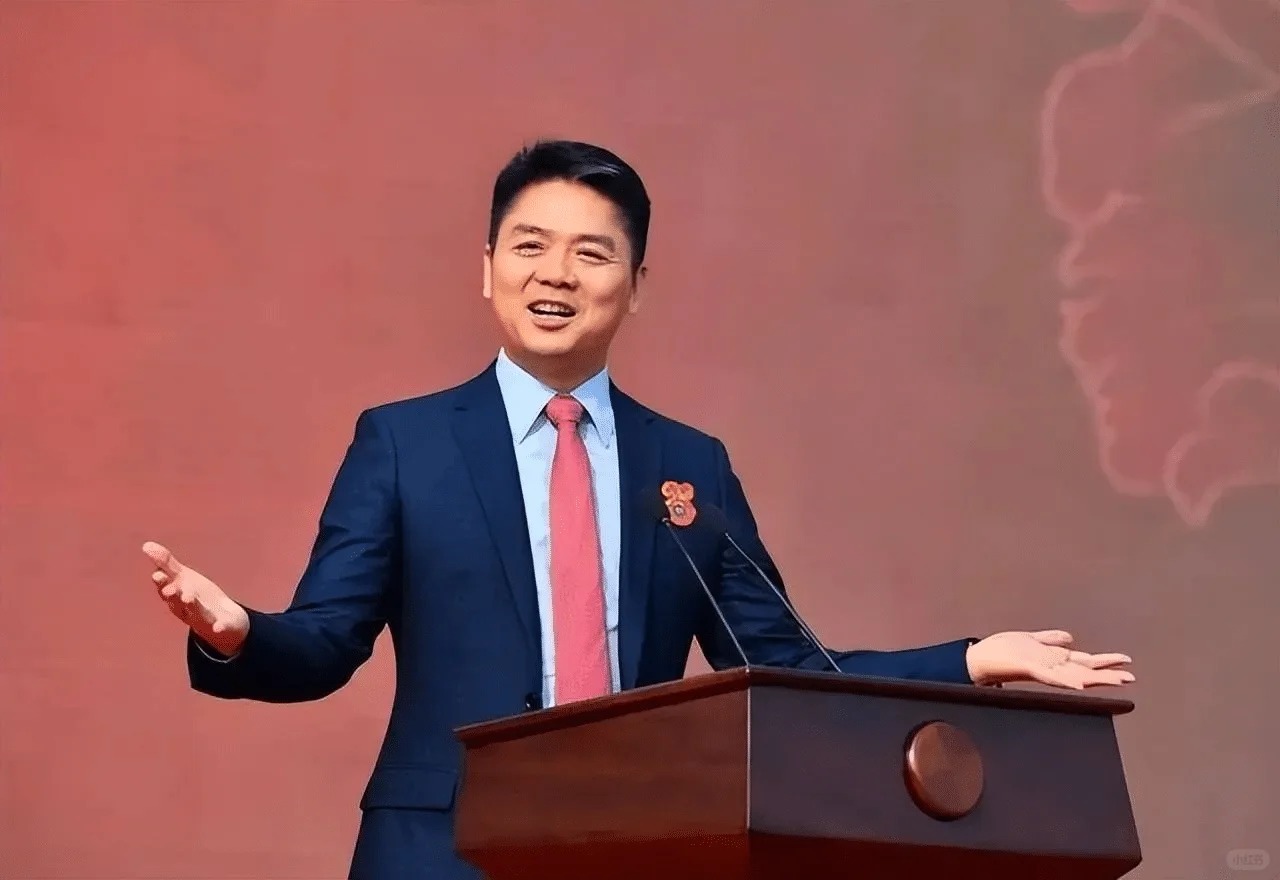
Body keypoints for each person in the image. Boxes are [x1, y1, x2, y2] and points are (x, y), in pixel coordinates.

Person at [143, 140, 1134, 879]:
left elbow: (787, 666)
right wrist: (237, 635)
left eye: (592, 252)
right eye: (530, 245)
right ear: (486, 267)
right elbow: (323, 643)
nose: (556, 273)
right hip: (440, 849)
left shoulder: (687, 466)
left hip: (642, 846)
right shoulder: (403, 443)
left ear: (636, 285)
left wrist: (972, 659)